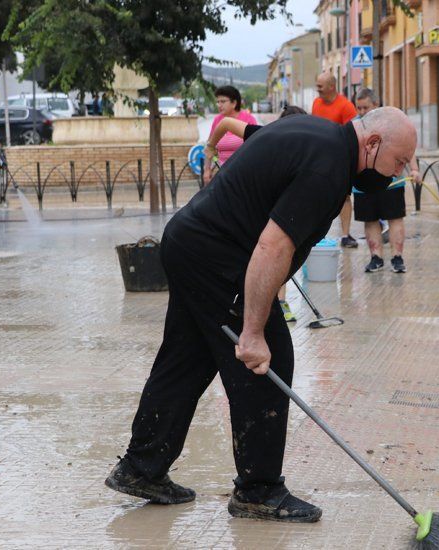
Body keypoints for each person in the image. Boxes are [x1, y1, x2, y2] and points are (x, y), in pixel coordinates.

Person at [105, 107, 417, 524]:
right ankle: (259, 491)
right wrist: (252, 331)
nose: (400, 172)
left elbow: (259, 149)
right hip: (216, 257)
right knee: (268, 362)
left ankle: (141, 468)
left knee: (187, 359)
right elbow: (273, 248)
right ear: (373, 144)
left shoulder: (317, 135)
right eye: (399, 162)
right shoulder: (327, 168)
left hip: (189, 241)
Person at [203, 105, 308, 323]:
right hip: (252, 208)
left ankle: (278, 302)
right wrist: (210, 147)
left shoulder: (309, 151)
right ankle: (247, 300)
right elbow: (225, 123)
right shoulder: (266, 135)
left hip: (279, 210)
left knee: (281, 253)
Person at [353, 88, 420, 273]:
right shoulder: (355, 125)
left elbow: (407, 147)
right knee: (370, 220)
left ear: (376, 105)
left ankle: (397, 258)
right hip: (362, 186)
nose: (361, 112)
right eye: (358, 108)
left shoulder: (391, 123)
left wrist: (414, 169)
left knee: (395, 218)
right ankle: (376, 257)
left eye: (365, 107)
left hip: (392, 182)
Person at [311, 73, 358, 248]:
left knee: (344, 197)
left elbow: (352, 134)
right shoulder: (316, 103)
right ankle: (314, 232)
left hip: (340, 158)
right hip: (318, 157)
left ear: (332, 86)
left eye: (320, 86)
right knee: (316, 194)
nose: (318, 89)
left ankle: (345, 235)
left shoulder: (346, 107)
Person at [203, 85, 257, 185]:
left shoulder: (248, 119)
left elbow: (257, 146)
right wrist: (207, 169)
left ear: (234, 103)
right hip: (223, 174)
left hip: (245, 175)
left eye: (223, 101)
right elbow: (210, 146)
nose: (219, 105)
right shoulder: (217, 120)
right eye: (218, 102)